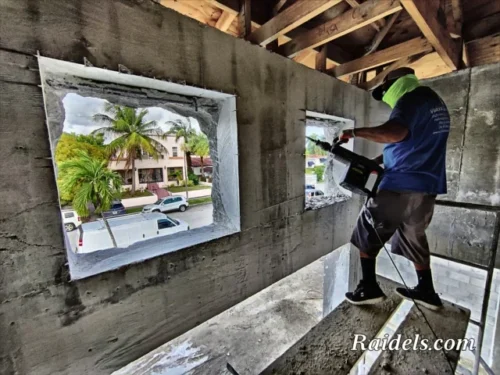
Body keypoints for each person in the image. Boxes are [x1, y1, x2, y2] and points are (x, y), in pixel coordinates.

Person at [339, 67, 450, 311]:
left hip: (399, 186)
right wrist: (377, 162)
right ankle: (427, 291)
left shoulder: (410, 99)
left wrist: (354, 132)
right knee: (415, 235)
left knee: (367, 230)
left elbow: (395, 133)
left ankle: (368, 287)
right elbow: (410, 144)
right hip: (426, 187)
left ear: (394, 85)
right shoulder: (434, 102)